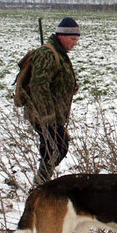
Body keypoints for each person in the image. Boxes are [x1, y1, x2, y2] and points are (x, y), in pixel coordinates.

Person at [24, 17, 80, 187]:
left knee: (58, 148)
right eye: (73, 39)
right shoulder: (47, 54)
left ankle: (41, 183)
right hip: (45, 116)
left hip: (54, 116)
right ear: (61, 36)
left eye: (77, 40)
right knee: (55, 150)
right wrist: (47, 118)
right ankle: (39, 187)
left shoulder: (60, 54)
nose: (75, 43)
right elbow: (39, 87)